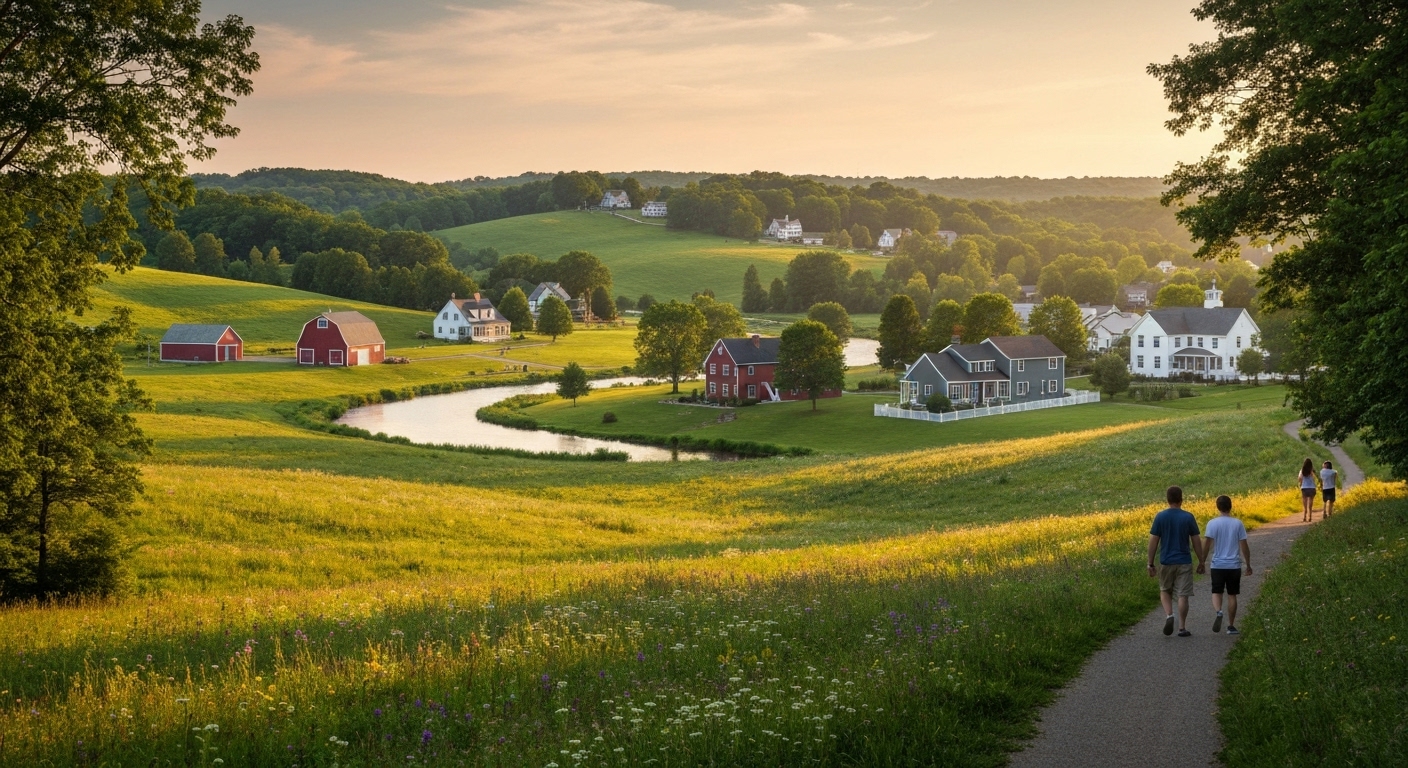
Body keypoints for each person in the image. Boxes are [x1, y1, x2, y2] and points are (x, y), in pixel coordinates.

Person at [1147, 486, 1207, 637]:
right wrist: (1201, 560)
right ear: (1181, 500)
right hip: (1184, 561)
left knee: (1164, 590)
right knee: (1183, 594)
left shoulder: (1160, 517)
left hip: (1166, 561)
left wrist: (1150, 562)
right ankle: (1182, 627)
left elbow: (1153, 541)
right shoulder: (1188, 517)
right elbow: (1196, 541)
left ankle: (1169, 615)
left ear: (1167, 500)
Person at [1203, 495, 1253, 635]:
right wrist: (1248, 564)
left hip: (1217, 564)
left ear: (1218, 507)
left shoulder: (1212, 523)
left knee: (1216, 591)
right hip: (1234, 565)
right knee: (1232, 594)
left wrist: (1202, 561)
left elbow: (1207, 545)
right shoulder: (1238, 524)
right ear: (1230, 506)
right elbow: (1244, 546)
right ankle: (1231, 626)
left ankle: (1219, 611)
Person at [1298, 458, 1318, 522]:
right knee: (1311, 501)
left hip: (1304, 488)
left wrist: (1301, 483)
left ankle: (1304, 515)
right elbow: (1315, 478)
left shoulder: (1302, 470)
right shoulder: (1312, 471)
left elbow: (1299, 478)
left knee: (1304, 501)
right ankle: (1310, 516)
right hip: (1312, 487)